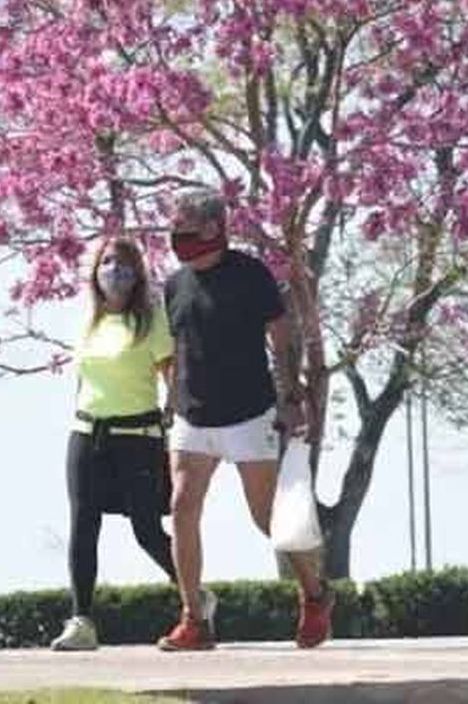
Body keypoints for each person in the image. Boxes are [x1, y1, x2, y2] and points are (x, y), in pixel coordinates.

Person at [157, 189, 334, 652]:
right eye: (174, 229)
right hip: (193, 417)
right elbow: (176, 350)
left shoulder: (251, 275)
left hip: (248, 414)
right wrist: (171, 400)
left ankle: (315, 594)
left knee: (268, 520)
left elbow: (281, 336)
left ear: (215, 228)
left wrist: (291, 395)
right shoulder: (174, 286)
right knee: (181, 507)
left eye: (186, 228)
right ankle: (194, 618)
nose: (177, 237)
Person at [50, 236, 183, 651]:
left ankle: (194, 594)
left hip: (137, 437)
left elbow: (172, 376)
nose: (114, 271)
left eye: (124, 265)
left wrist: (173, 420)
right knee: (83, 525)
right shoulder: (89, 319)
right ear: (95, 270)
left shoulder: (151, 319)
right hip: (88, 434)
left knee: (146, 530)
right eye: (107, 262)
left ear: (138, 274)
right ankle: (81, 621)